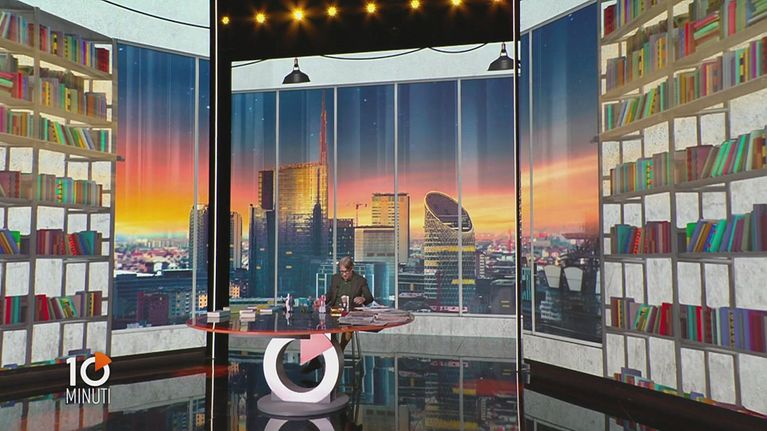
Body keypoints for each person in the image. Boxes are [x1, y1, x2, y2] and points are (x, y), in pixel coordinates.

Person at [303, 256, 373, 373]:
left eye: (346, 272)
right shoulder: (335, 278)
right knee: (318, 327)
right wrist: (322, 300)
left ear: (351, 269)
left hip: (350, 313)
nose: (343, 274)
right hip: (333, 311)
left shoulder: (360, 281)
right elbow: (330, 294)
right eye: (341, 272)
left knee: (347, 329)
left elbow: (370, 297)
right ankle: (315, 359)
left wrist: (363, 298)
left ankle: (338, 352)